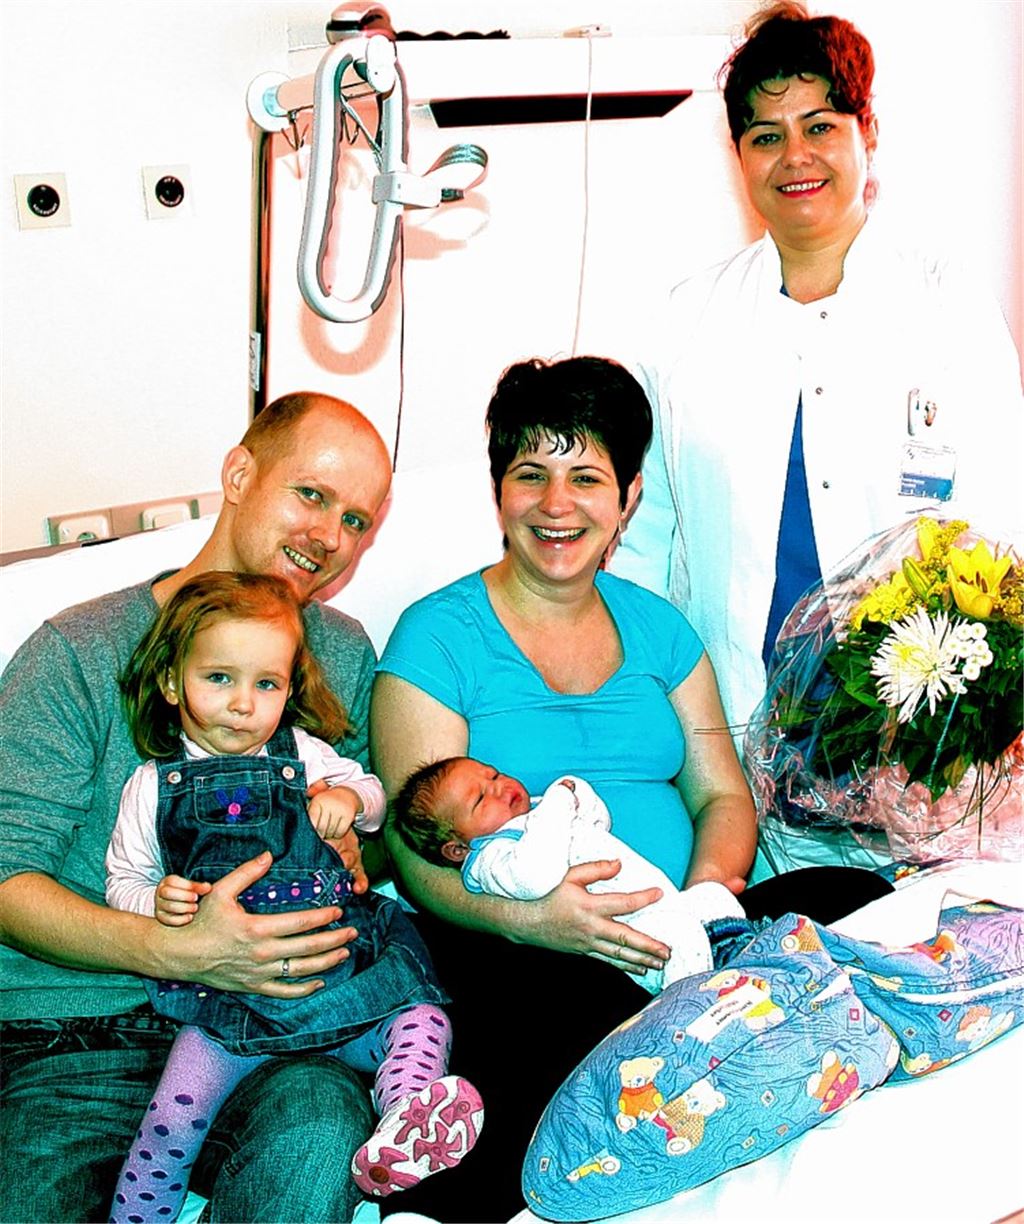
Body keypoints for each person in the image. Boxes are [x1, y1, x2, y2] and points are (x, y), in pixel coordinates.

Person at [371, 355, 891, 1223]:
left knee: (856, 893)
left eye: (586, 477)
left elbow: (724, 797)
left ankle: (718, 1028)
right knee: (556, 1031)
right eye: (530, 475)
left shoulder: (662, 631)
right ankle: (453, 1193)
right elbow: (414, 850)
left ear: (628, 498)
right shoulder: (437, 640)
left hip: (686, 926)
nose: (556, 503)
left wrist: (704, 904)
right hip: (524, 945)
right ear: (499, 489)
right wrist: (537, 919)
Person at [0, 392, 393, 1224]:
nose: (330, 537)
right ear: (240, 474)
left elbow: (374, 830)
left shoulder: (341, 651)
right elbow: (5, 878)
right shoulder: (76, 650)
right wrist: (182, 949)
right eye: (312, 495)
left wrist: (357, 852)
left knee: (319, 1136)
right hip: (75, 1036)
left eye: (357, 520)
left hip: (268, 1028)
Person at [613, 1, 1024, 740]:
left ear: (869, 134)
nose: (794, 156)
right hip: (733, 729)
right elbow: (646, 542)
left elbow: (1002, 529)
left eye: (821, 126)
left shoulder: (945, 303)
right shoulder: (684, 322)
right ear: (739, 156)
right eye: (766, 136)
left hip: (921, 731)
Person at [106, 572, 482, 1221]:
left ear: (289, 687)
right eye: (219, 678)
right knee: (172, 1117)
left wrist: (344, 800)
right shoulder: (152, 786)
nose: (244, 704)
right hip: (229, 1009)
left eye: (267, 684)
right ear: (172, 682)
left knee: (423, 1018)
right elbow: (124, 881)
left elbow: (373, 794)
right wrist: (156, 905)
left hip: (344, 988)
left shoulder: (303, 754)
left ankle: (403, 1123)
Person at [394, 758, 748, 992]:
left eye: (494, 774)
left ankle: (745, 956)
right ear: (456, 848)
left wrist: (574, 790)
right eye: (481, 799)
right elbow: (536, 876)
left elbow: (598, 822)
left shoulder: (536, 812)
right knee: (682, 937)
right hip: (628, 934)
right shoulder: (491, 858)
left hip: (663, 903)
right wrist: (558, 803)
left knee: (712, 896)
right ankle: (700, 1007)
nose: (500, 787)